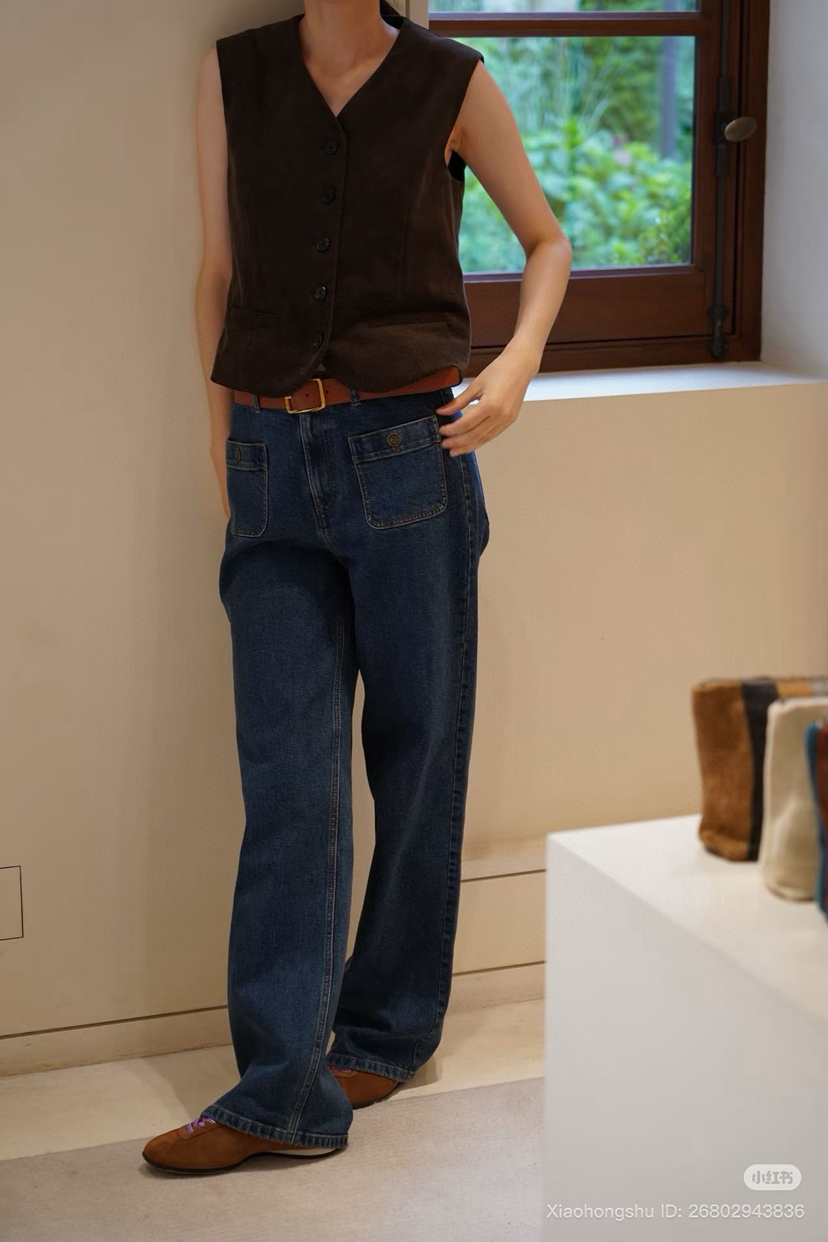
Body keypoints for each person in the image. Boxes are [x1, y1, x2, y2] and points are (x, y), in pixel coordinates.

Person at [143, 0, 570, 1175]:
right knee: (288, 778)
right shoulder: (234, 75)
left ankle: (385, 1031)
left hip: (409, 454)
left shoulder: (450, 80)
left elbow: (546, 241)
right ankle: (279, 1088)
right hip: (266, 461)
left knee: (417, 755)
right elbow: (217, 275)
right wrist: (223, 454)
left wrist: (517, 366)